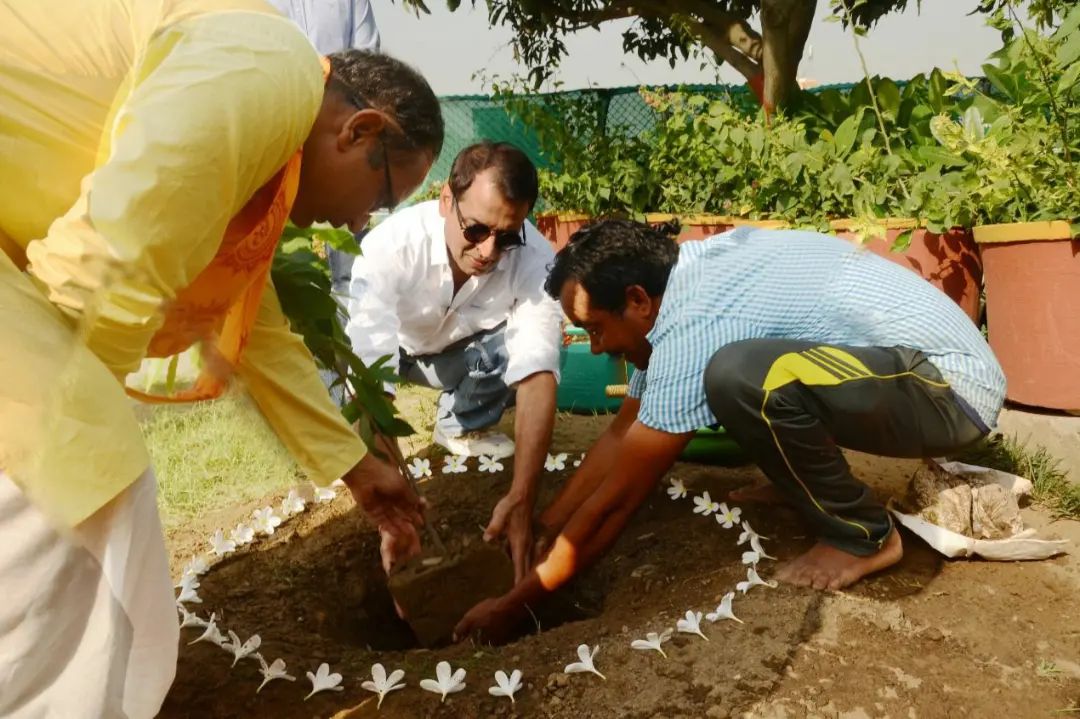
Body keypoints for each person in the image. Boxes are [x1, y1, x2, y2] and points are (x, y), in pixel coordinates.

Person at [0, 1, 442, 714]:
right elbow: (114, 248)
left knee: (96, 498)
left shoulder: (264, 153)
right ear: (359, 131)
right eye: (384, 194)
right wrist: (76, 411)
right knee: (79, 496)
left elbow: (259, 332)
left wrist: (357, 468)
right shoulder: (271, 68)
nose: (363, 221)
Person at [454, 219, 1006, 643]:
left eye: (596, 329)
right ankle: (803, 475)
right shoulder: (680, 283)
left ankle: (861, 534)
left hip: (949, 389)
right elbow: (625, 431)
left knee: (740, 376)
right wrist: (546, 523)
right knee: (740, 375)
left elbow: (619, 501)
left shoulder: (694, 323)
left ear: (638, 301)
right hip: (891, 375)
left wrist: (515, 606)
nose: (595, 348)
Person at [345, 141, 564, 580]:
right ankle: (343, 458)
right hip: (398, 350)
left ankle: (460, 423)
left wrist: (522, 497)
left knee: (520, 344)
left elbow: (537, 369)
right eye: (477, 231)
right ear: (447, 201)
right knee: (330, 362)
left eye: (506, 237)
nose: (488, 251)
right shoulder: (391, 247)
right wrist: (392, 508)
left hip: (457, 356)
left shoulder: (535, 257)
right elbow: (370, 373)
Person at [267, 0, 382, 299]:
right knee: (266, 256)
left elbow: (368, 62)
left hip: (340, 139)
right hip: (274, 134)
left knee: (351, 271)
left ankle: (350, 342)